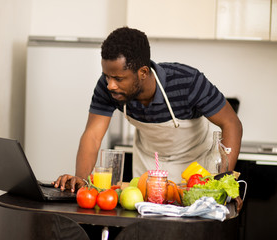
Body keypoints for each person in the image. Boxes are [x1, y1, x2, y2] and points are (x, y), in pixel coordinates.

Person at [54, 27, 243, 205]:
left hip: (195, 170)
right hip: (148, 168)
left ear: (143, 72)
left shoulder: (188, 82)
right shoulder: (109, 87)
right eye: (107, 76)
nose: (110, 85)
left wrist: (221, 185)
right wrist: (80, 180)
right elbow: (93, 136)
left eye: (118, 79)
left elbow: (231, 123)